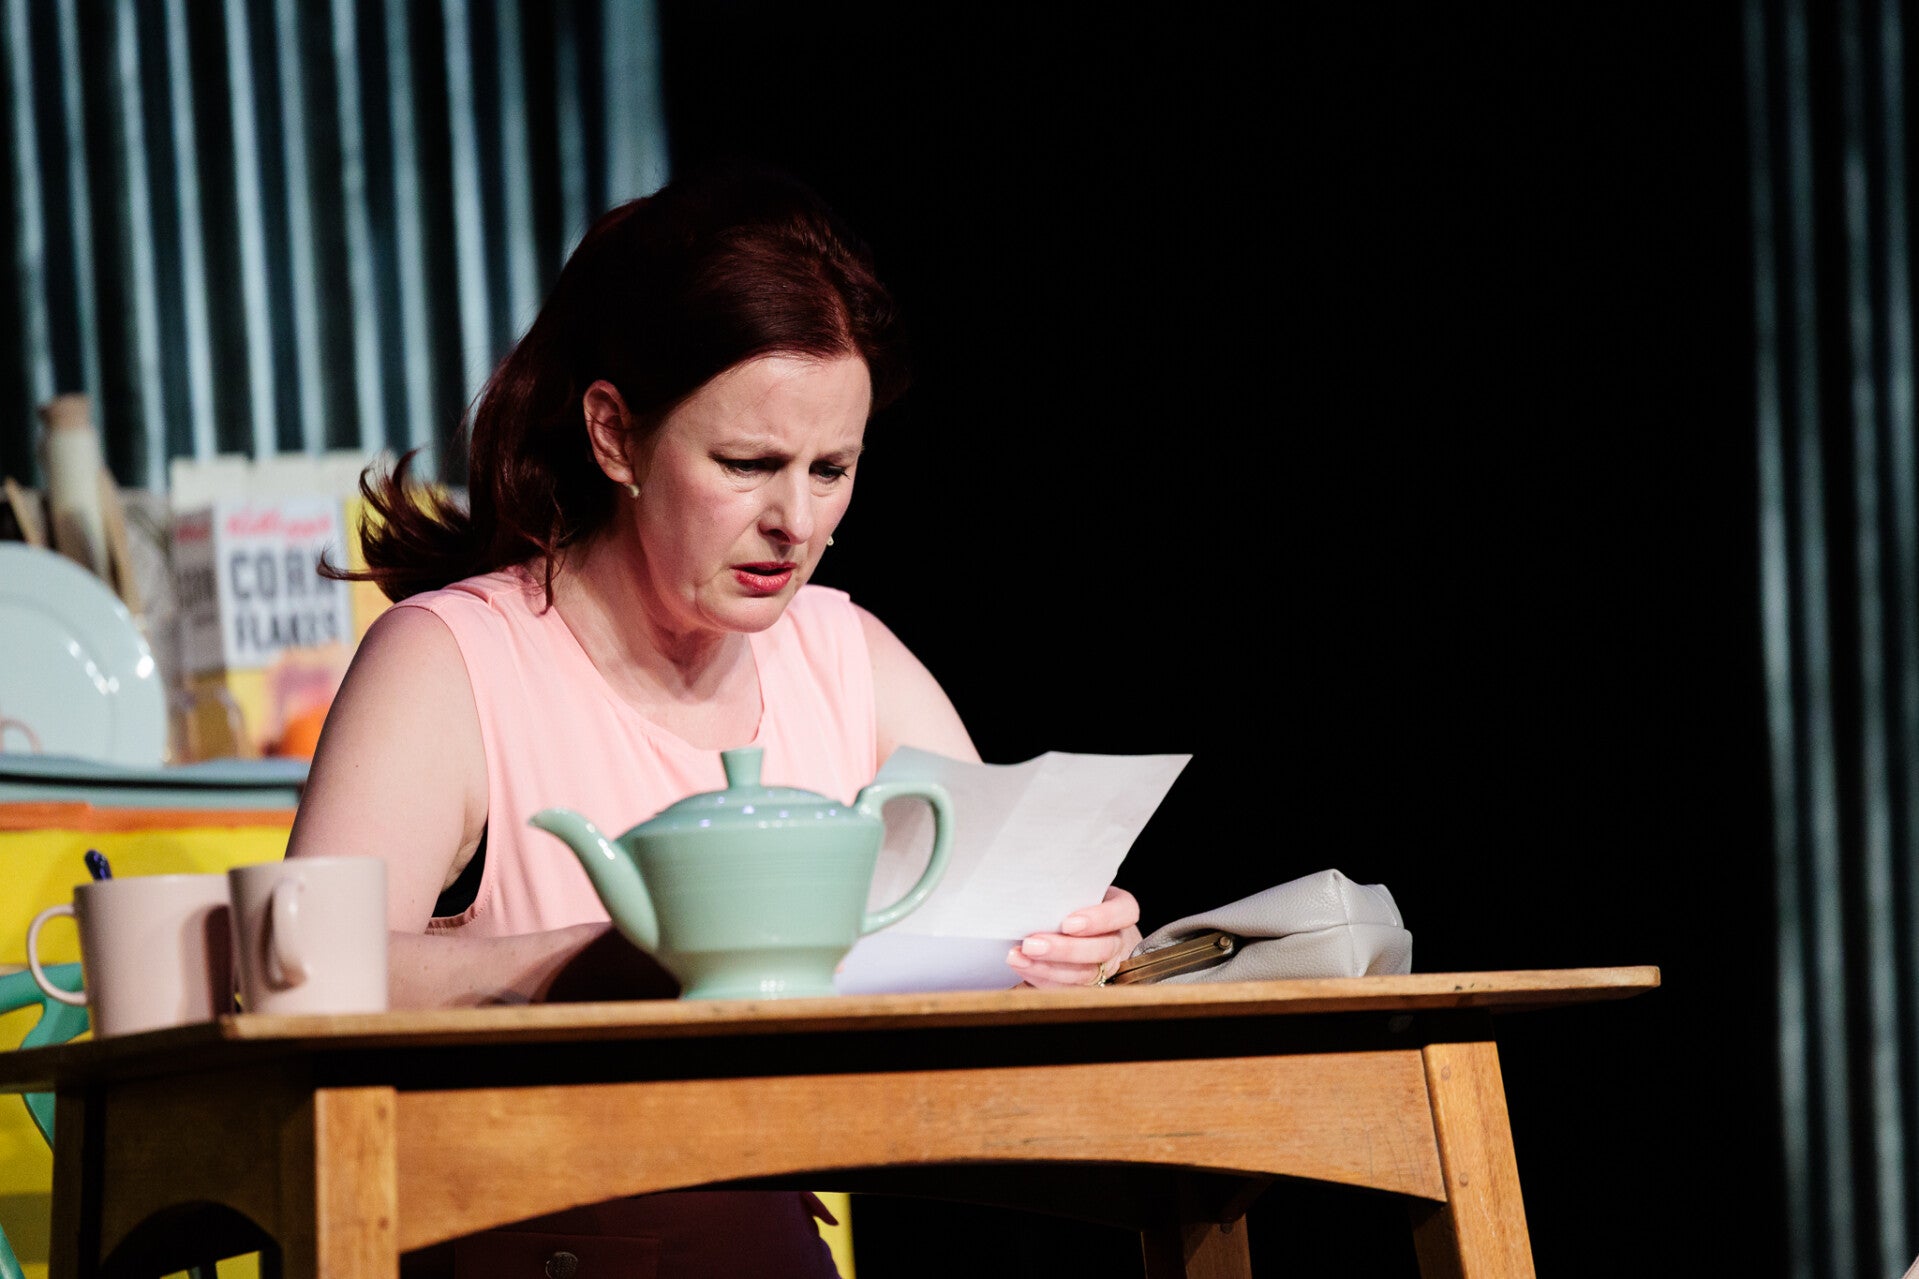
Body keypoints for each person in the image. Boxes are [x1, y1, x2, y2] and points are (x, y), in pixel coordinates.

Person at [285, 162, 1141, 1274]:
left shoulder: (841, 652)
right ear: (613, 434)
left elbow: (989, 898)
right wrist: (615, 959)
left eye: (831, 469)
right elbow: (303, 970)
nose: (795, 520)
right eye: (747, 464)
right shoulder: (453, 659)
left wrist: (1072, 940)